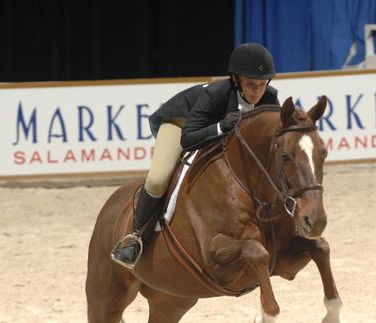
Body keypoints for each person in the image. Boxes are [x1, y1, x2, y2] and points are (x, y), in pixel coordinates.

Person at [111, 42, 280, 269]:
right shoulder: (215, 95)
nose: (256, 92)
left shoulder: (269, 99)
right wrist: (220, 126)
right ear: (235, 79)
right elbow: (188, 138)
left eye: (262, 84)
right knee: (158, 179)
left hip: (210, 130)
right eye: (251, 85)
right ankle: (135, 238)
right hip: (180, 125)